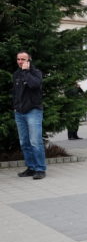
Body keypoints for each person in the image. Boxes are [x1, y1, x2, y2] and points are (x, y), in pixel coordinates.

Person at [12, 51, 47, 180]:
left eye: (23, 59)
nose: (20, 61)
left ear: (29, 60)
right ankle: (31, 168)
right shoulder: (16, 75)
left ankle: (40, 169)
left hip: (33, 111)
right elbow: (15, 93)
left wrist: (26, 72)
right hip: (19, 113)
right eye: (18, 59)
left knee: (35, 142)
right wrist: (15, 107)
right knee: (24, 142)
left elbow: (34, 85)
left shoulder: (35, 73)